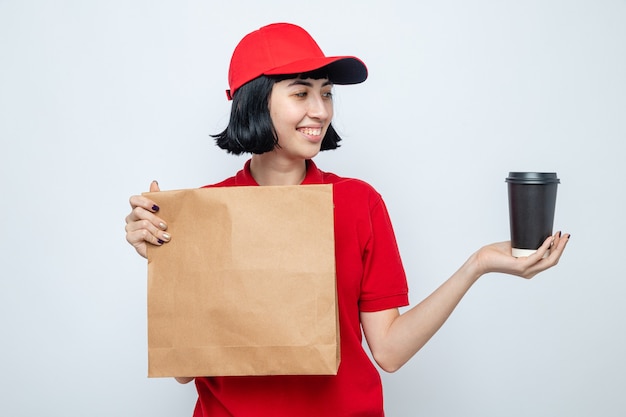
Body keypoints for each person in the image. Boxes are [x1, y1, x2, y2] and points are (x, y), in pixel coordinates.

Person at [125, 23, 569, 417]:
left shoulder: (358, 202)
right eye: (301, 92)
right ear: (254, 102)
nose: (320, 110)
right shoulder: (203, 212)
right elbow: (184, 369)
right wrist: (166, 262)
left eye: (326, 92)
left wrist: (477, 264)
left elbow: (390, 351)